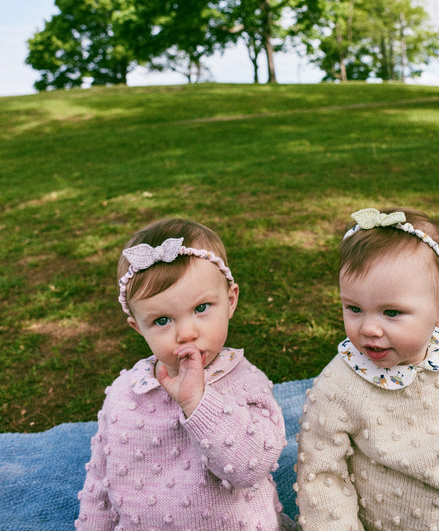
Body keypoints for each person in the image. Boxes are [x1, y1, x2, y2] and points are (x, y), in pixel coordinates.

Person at [295, 207, 439, 531]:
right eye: (354, 308)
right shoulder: (338, 387)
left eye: (391, 312)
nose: (369, 328)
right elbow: (322, 476)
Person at [76, 217, 294, 531]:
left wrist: (197, 402)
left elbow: (252, 467)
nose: (187, 333)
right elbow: (100, 481)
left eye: (202, 308)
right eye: (162, 320)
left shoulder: (245, 382)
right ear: (138, 327)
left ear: (230, 300)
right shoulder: (125, 392)